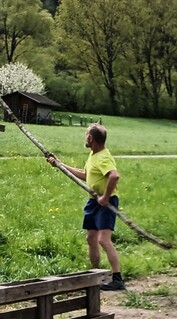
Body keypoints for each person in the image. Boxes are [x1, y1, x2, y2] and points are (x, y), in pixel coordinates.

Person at [47, 123, 126, 291]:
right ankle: (96, 274)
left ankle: (117, 278)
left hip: (107, 202)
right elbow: (85, 174)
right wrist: (60, 165)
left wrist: (105, 197)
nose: (85, 138)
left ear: (91, 138)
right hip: (94, 201)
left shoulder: (103, 157)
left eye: (86, 135)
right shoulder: (94, 154)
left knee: (103, 240)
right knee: (91, 239)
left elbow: (114, 176)